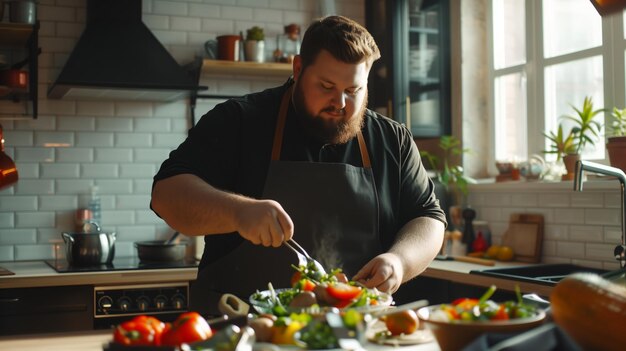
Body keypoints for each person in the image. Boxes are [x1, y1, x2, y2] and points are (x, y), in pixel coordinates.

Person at [151, 15, 446, 316]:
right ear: (298, 69)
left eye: (353, 90)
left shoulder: (391, 139)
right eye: (327, 86)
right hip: (241, 329)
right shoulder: (238, 122)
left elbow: (428, 217)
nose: (340, 103)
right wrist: (238, 212)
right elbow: (165, 195)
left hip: (352, 333)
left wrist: (400, 261)